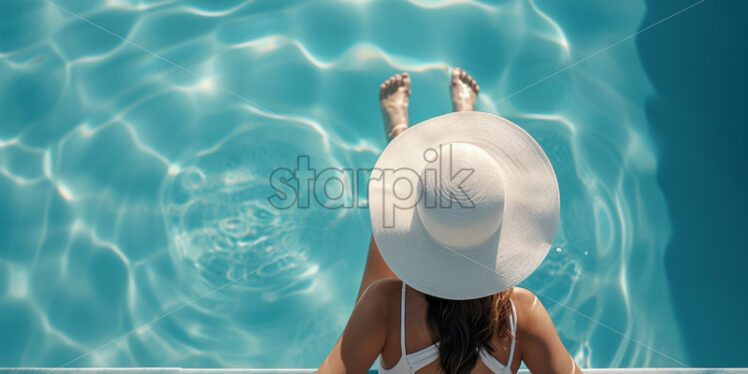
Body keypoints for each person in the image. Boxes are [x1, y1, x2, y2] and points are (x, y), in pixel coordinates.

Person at [319, 68, 582, 374]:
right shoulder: (523, 315)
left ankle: (403, 140)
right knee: (451, 203)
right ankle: (467, 152)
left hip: (387, 323)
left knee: (387, 227)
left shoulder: (384, 307)